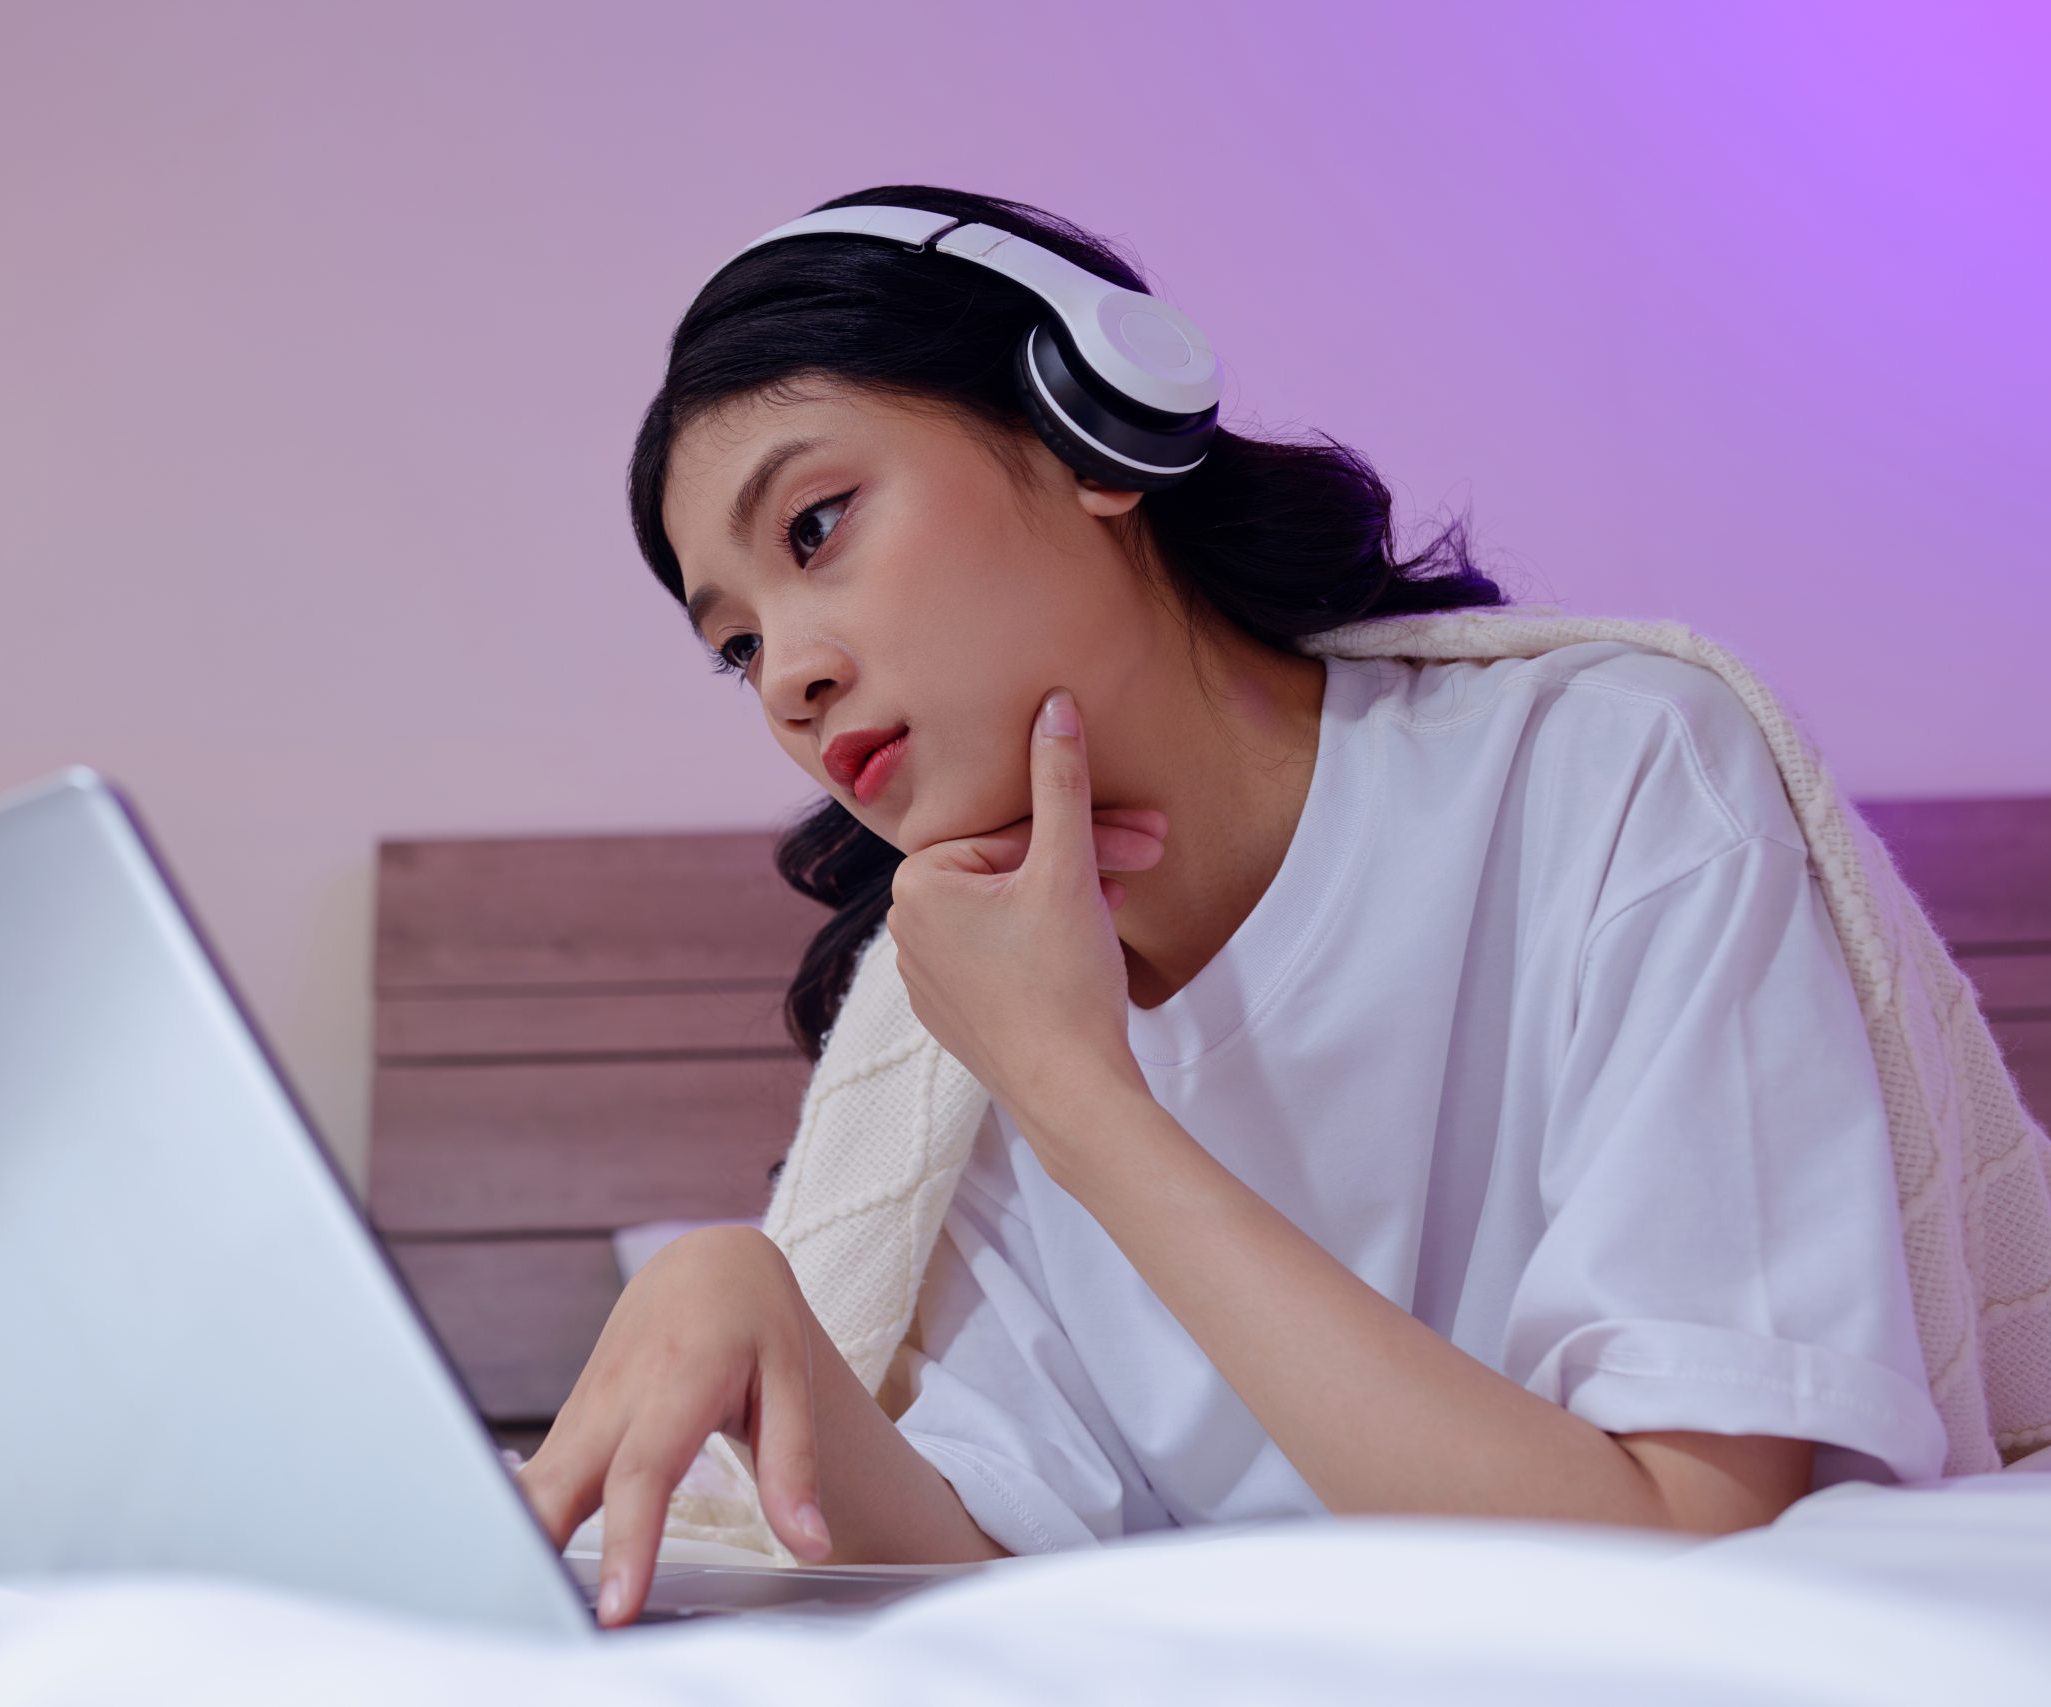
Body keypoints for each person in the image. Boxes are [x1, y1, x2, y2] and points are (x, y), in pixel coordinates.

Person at [513, 184, 1946, 1628]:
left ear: (1097, 431)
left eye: (817, 525)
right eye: (736, 645)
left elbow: (1677, 1543)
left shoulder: (1615, 768)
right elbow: (1003, 1564)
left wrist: (1085, 1101)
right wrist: (769, 1343)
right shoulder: (966, 983)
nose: (786, 679)